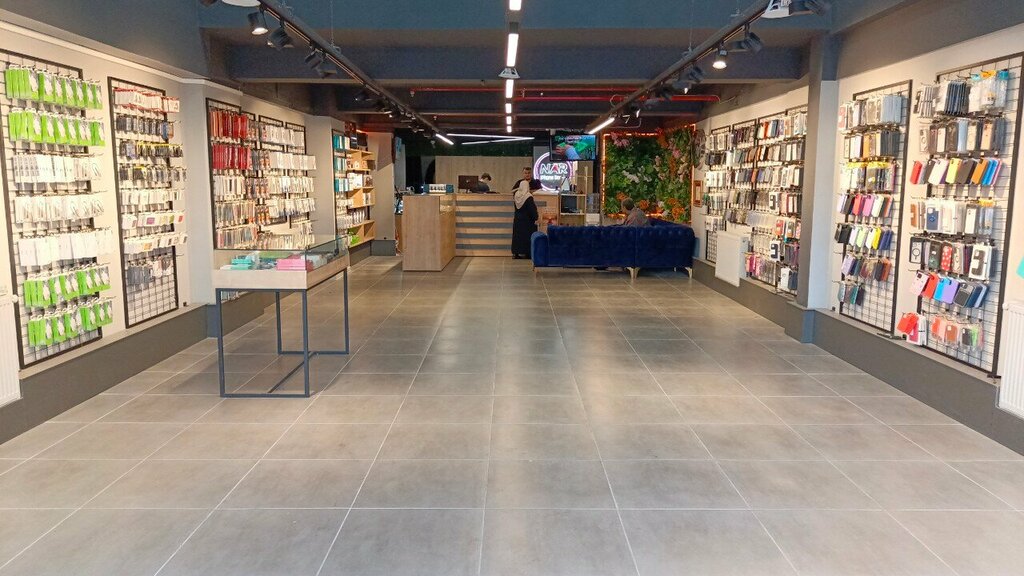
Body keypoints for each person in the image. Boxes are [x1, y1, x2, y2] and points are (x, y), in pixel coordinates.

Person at [511, 178, 541, 259]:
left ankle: (516, 253)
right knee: (527, 236)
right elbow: (532, 209)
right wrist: (536, 217)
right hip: (527, 220)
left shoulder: (516, 195)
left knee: (517, 236)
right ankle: (527, 253)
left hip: (517, 219)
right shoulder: (528, 196)